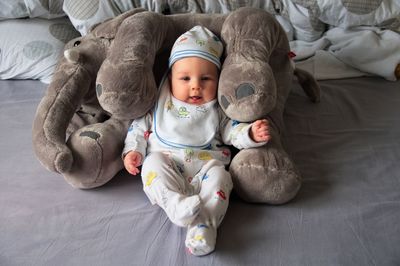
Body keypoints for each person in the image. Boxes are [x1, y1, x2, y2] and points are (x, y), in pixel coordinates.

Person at [123, 25, 270, 256]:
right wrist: (134, 152)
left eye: (206, 78)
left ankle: (203, 229)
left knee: (222, 178)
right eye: (185, 78)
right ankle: (174, 204)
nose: (195, 85)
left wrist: (250, 134)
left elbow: (232, 130)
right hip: (168, 163)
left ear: (218, 80)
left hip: (206, 168)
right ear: (170, 77)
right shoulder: (159, 104)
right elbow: (138, 129)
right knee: (152, 167)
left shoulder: (217, 109)